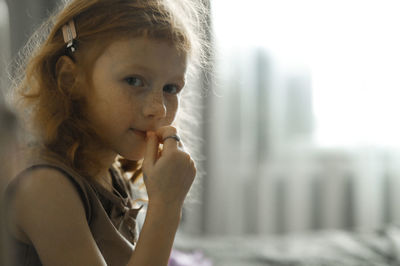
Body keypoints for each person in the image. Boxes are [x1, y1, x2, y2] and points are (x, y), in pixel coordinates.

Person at [2, 0, 208, 265]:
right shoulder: (45, 187)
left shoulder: (110, 174)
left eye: (171, 88)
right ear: (70, 79)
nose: (158, 108)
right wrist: (166, 208)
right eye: (134, 81)